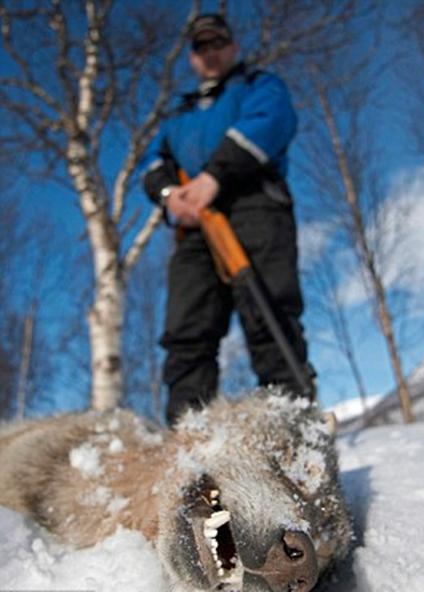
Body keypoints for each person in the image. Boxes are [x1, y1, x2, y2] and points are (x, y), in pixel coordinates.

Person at [143, 13, 316, 424]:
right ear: (192, 57)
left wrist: (214, 176)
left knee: (268, 313)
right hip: (193, 226)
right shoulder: (177, 116)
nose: (210, 53)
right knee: (187, 332)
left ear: (232, 47)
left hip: (255, 206)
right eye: (201, 47)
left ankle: (293, 431)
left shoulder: (260, 85)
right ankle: (187, 445)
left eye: (217, 44)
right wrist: (171, 195)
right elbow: (153, 163)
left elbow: (269, 124)